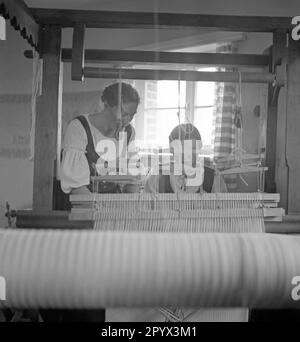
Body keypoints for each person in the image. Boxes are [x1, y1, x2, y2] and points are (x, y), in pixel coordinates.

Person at [41, 82, 140, 323]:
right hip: (82, 214)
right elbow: (79, 189)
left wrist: (135, 206)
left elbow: (130, 181)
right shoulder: (79, 127)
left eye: (132, 114)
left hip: (110, 218)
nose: (126, 119)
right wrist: (104, 217)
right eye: (123, 112)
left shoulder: (128, 134)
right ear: (105, 104)